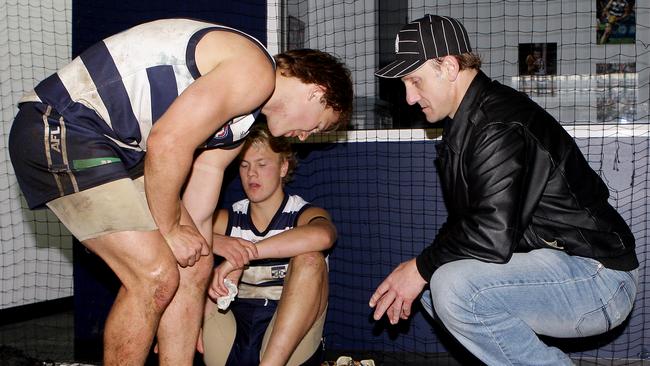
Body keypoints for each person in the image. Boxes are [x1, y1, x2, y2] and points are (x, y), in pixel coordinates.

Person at [8, 18, 352, 365]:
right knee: (153, 275)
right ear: (316, 92)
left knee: (196, 265)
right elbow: (167, 142)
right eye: (318, 124)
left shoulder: (240, 123)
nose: (306, 136)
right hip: (63, 125)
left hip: (116, 150)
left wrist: (193, 247)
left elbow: (200, 206)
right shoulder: (255, 71)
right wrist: (170, 230)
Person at [371, 14, 638, 365]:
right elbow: (467, 224)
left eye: (415, 81)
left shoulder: (497, 123)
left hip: (599, 278)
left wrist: (419, 268)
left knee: (450, 286)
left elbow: (491, 234)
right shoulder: (467, 124)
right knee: (437, 286)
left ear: (449, 66)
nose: (408, 98)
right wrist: (422, 270)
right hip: (562, 264)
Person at [200, 122, 334, 366]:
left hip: (288, 336)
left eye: (262, 164)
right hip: (232, 327)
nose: (252, 173)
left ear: (283, 166)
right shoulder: (228, 218)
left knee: (310, 258)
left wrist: (242, 255)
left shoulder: (303, 213)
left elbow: (323, 236)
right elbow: (177, 232)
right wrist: (217, 243)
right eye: (244, 165)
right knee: (193, 252)